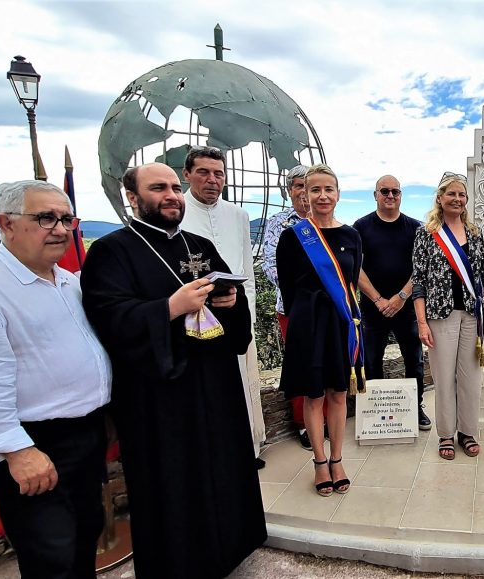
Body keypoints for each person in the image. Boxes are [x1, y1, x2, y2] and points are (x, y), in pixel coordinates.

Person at [80, 163, 265, 578]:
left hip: (215, 382)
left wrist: (231, 304)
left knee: (222, 466)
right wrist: (168, 308)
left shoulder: (198, 244)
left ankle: (231, 547)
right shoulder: (112, 251)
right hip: (158, 394)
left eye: (175, 188)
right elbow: (108, 316)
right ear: (133, 197)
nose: (171, 195)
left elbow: (236, 306)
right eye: (158, 188)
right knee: (174, 481)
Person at [0, 180, 111, 579]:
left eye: (66, 219)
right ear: (5, 223)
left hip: (84, 435)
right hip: (33, 443)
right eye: (45, 218)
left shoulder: (68, 282)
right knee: (51, 554)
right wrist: (15, 450)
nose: (60, 229)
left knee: (82, 538)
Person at [275, 164, 362, 496]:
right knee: (313, 395)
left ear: (338, 194)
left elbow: (351, 284)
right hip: (308, 324)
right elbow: (288, 288)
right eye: (315, 190)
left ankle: (338, 458)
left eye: (329, 189)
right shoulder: (294, 236)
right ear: (304, 195)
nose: (322, 195)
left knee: (338, 393)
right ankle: (320, 461)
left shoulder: (352, 236)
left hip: (341, 324)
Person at [179, 145, 266, 466]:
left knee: (239, 386)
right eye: (203, 172)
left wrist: (249, 319)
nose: (212, 180)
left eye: (219, 173)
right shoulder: (177, 212)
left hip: (235, 317)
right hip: (191, 315)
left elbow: (247, 274)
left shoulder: (239, 215)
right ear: (187, 174)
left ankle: (246, 448)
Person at [412, 172, 484, 460]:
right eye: (451, 194)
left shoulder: (474, 232)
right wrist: (421, 322)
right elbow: (418, 280)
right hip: (439, 315)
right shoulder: (426, 233)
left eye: (462, 195)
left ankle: (468, 432)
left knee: (470, 376)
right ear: (440, 198)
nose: (457, 199)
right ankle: (446, 434)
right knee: (444, 377)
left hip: (473, 314)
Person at [354, 174, 431, 430]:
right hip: (372, 308)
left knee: (414, 361)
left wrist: (400, 298)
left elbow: (420, 267)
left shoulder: (415, 228)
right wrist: (378, 299)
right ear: (375, 195)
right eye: (384, 191)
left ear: (401, 195)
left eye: (395, 192)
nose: (390, 196)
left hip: (407, 307)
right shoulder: (361, 227)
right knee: (372, 361)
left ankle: (415, 408)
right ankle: (374, 410)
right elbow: (355, 268)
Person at [261, 165, 319, 449]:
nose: (305, 193)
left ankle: (324, 419)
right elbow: (271, 266)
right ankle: (304, 423)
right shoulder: (279, 224)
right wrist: (304, 291)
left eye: (310, 186)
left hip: (327, 309)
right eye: (299, 186)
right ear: (289, 190)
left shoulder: (328, 221)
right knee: (300, 364)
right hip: (293, 308)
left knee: (325, 363)